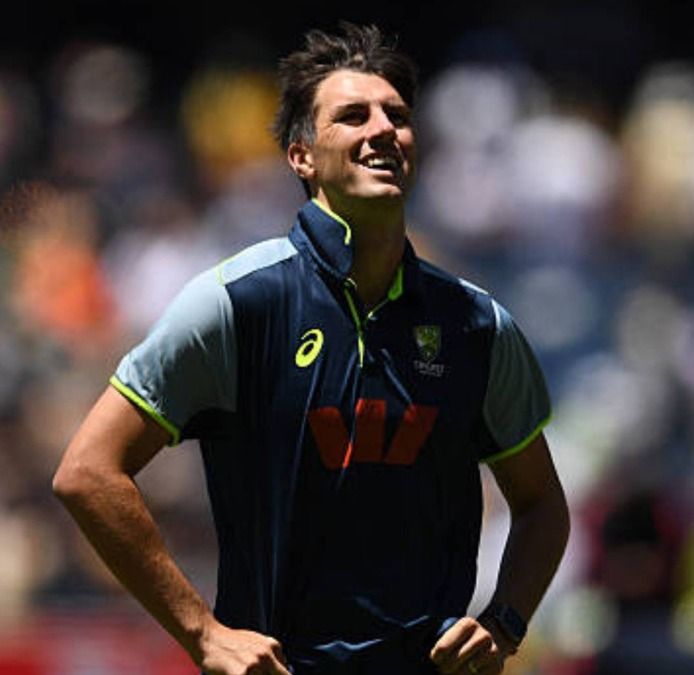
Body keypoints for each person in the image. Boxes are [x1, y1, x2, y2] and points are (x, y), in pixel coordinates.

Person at [53, 22, 569, 675]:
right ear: (301, 155)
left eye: (398, 115)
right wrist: (204, 633)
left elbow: (543, 504)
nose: (384, 128)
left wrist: (506, 621)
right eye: (353, 115)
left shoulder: (476, 324)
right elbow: (88, 472)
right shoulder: (237, 304)